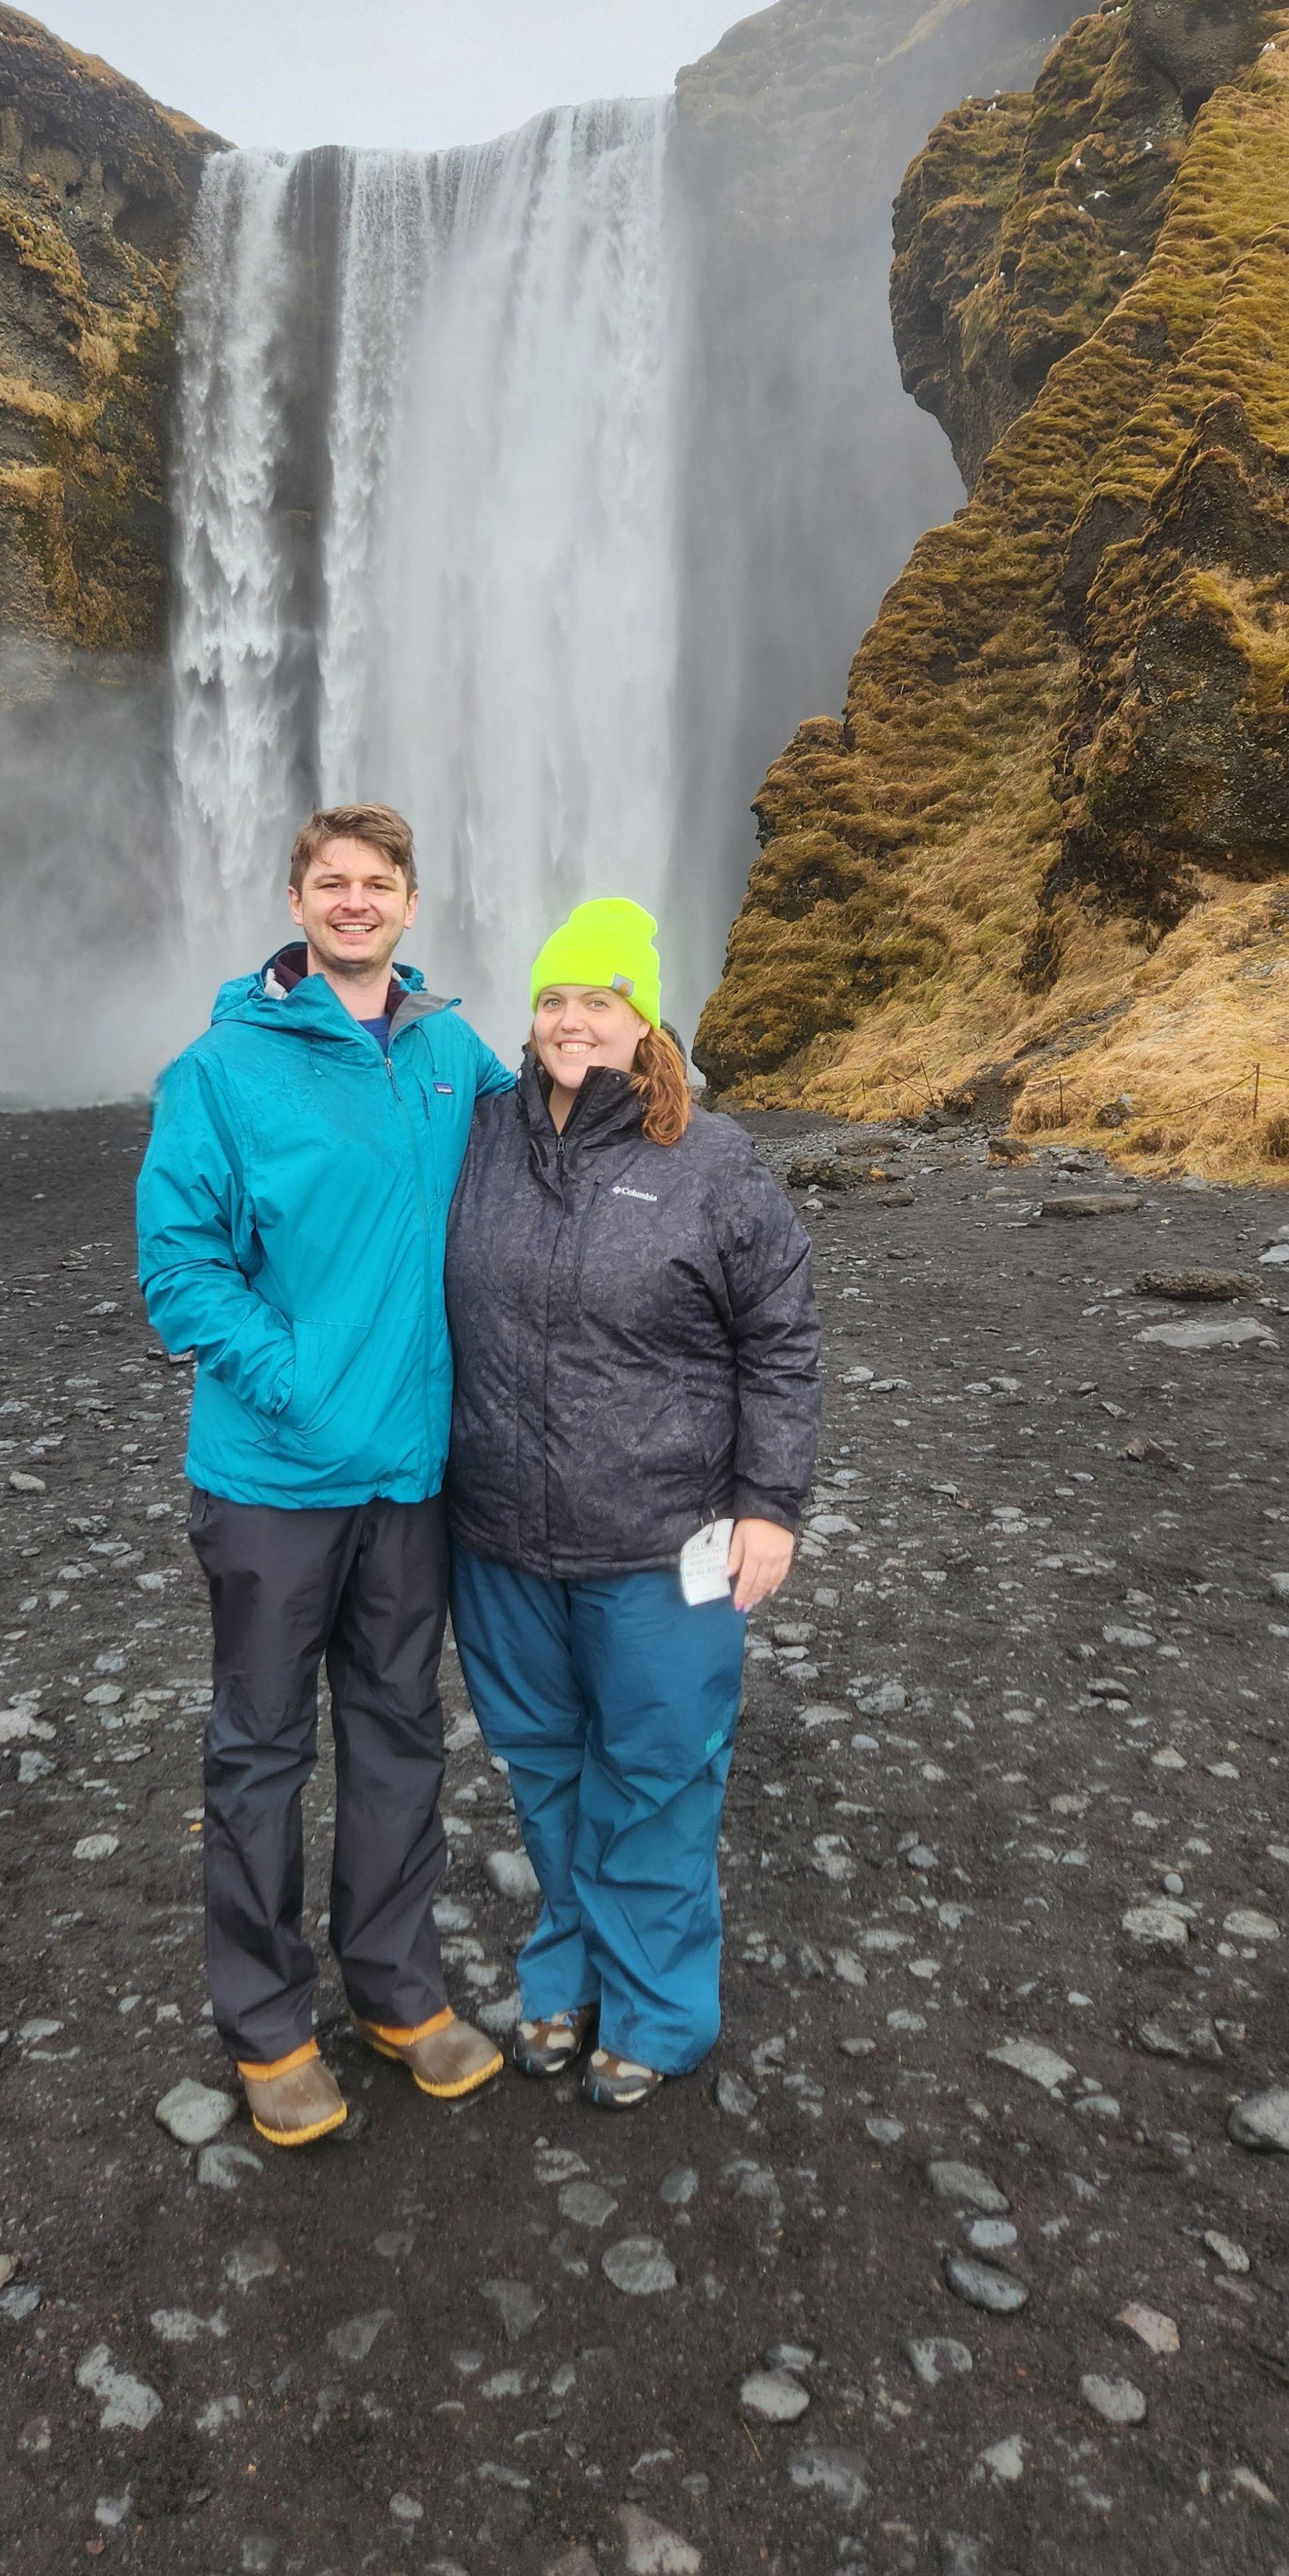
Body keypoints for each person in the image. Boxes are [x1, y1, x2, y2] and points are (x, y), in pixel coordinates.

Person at [134, 805, 516, 2146]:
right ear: (296, 902)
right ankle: (267, 2024)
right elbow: (179, 1274)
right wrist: (303, 1387)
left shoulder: (449, 1053)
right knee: (259, 1747)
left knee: (402, 1729)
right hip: (276, 1479)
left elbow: (550, 1162)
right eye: (331, 883)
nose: (356, 902)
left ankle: (400, 1990)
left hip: (413, 1476)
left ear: (412, 904)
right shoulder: (223, 1070)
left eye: (379, 883)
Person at [441, 897, 821, 2108]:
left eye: (596, 1000)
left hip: (662, 1544)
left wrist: (772, 1504)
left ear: (641, 1017)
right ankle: (568, 1971)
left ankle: (661, 2008)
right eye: (553, 999)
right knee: (545, 1767)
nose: (570, 1022)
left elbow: (782, 1342)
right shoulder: (483, 1139)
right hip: (500, 1533)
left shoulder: (714, 1163)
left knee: (658, 1771)